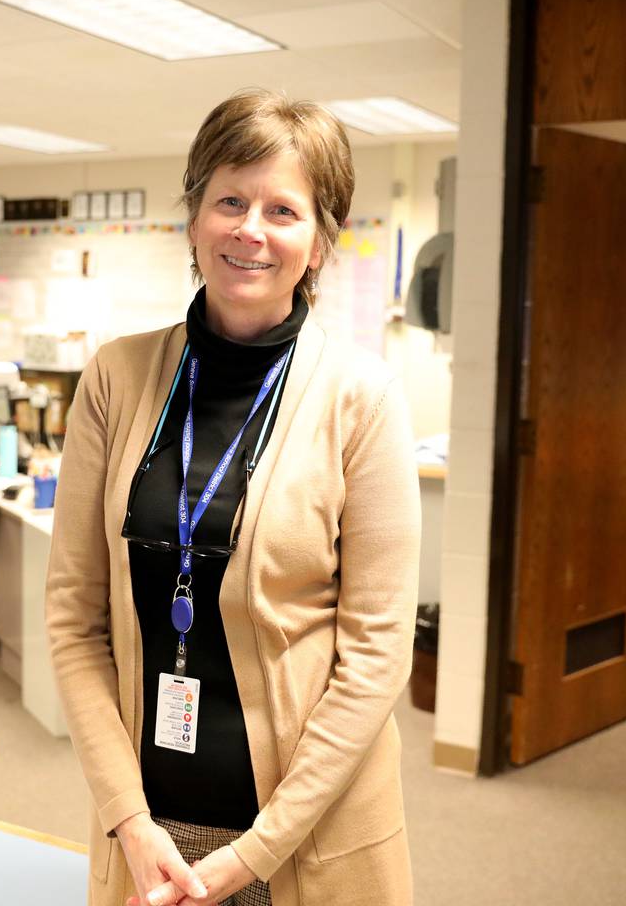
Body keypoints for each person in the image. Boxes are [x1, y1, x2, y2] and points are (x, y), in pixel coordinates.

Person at [46, 90, 420, 906]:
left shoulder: (363, 397)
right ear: (194, 217)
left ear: (320, 243)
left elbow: (376, 655)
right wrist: (128, 820)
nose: (250, 229)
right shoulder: (116, 377)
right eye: (230, 200)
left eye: (283, 210)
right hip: (149, 834)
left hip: (307, 835)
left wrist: (257, 852)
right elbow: (74, 620)